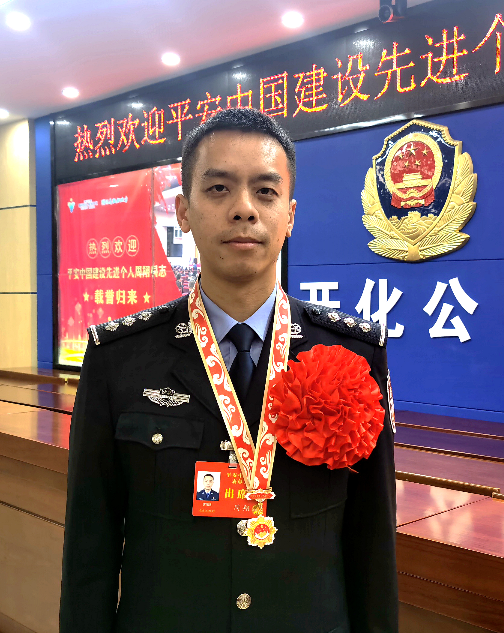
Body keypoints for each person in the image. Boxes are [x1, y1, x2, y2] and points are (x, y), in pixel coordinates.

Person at [59, 108, 397, 633]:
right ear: (184, 211)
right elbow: (90, 545)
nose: (244, 209)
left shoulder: (354, 354)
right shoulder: (119, 357)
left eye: (266, 191)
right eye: (218, 189)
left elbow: (372, 541)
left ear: (290, 215)